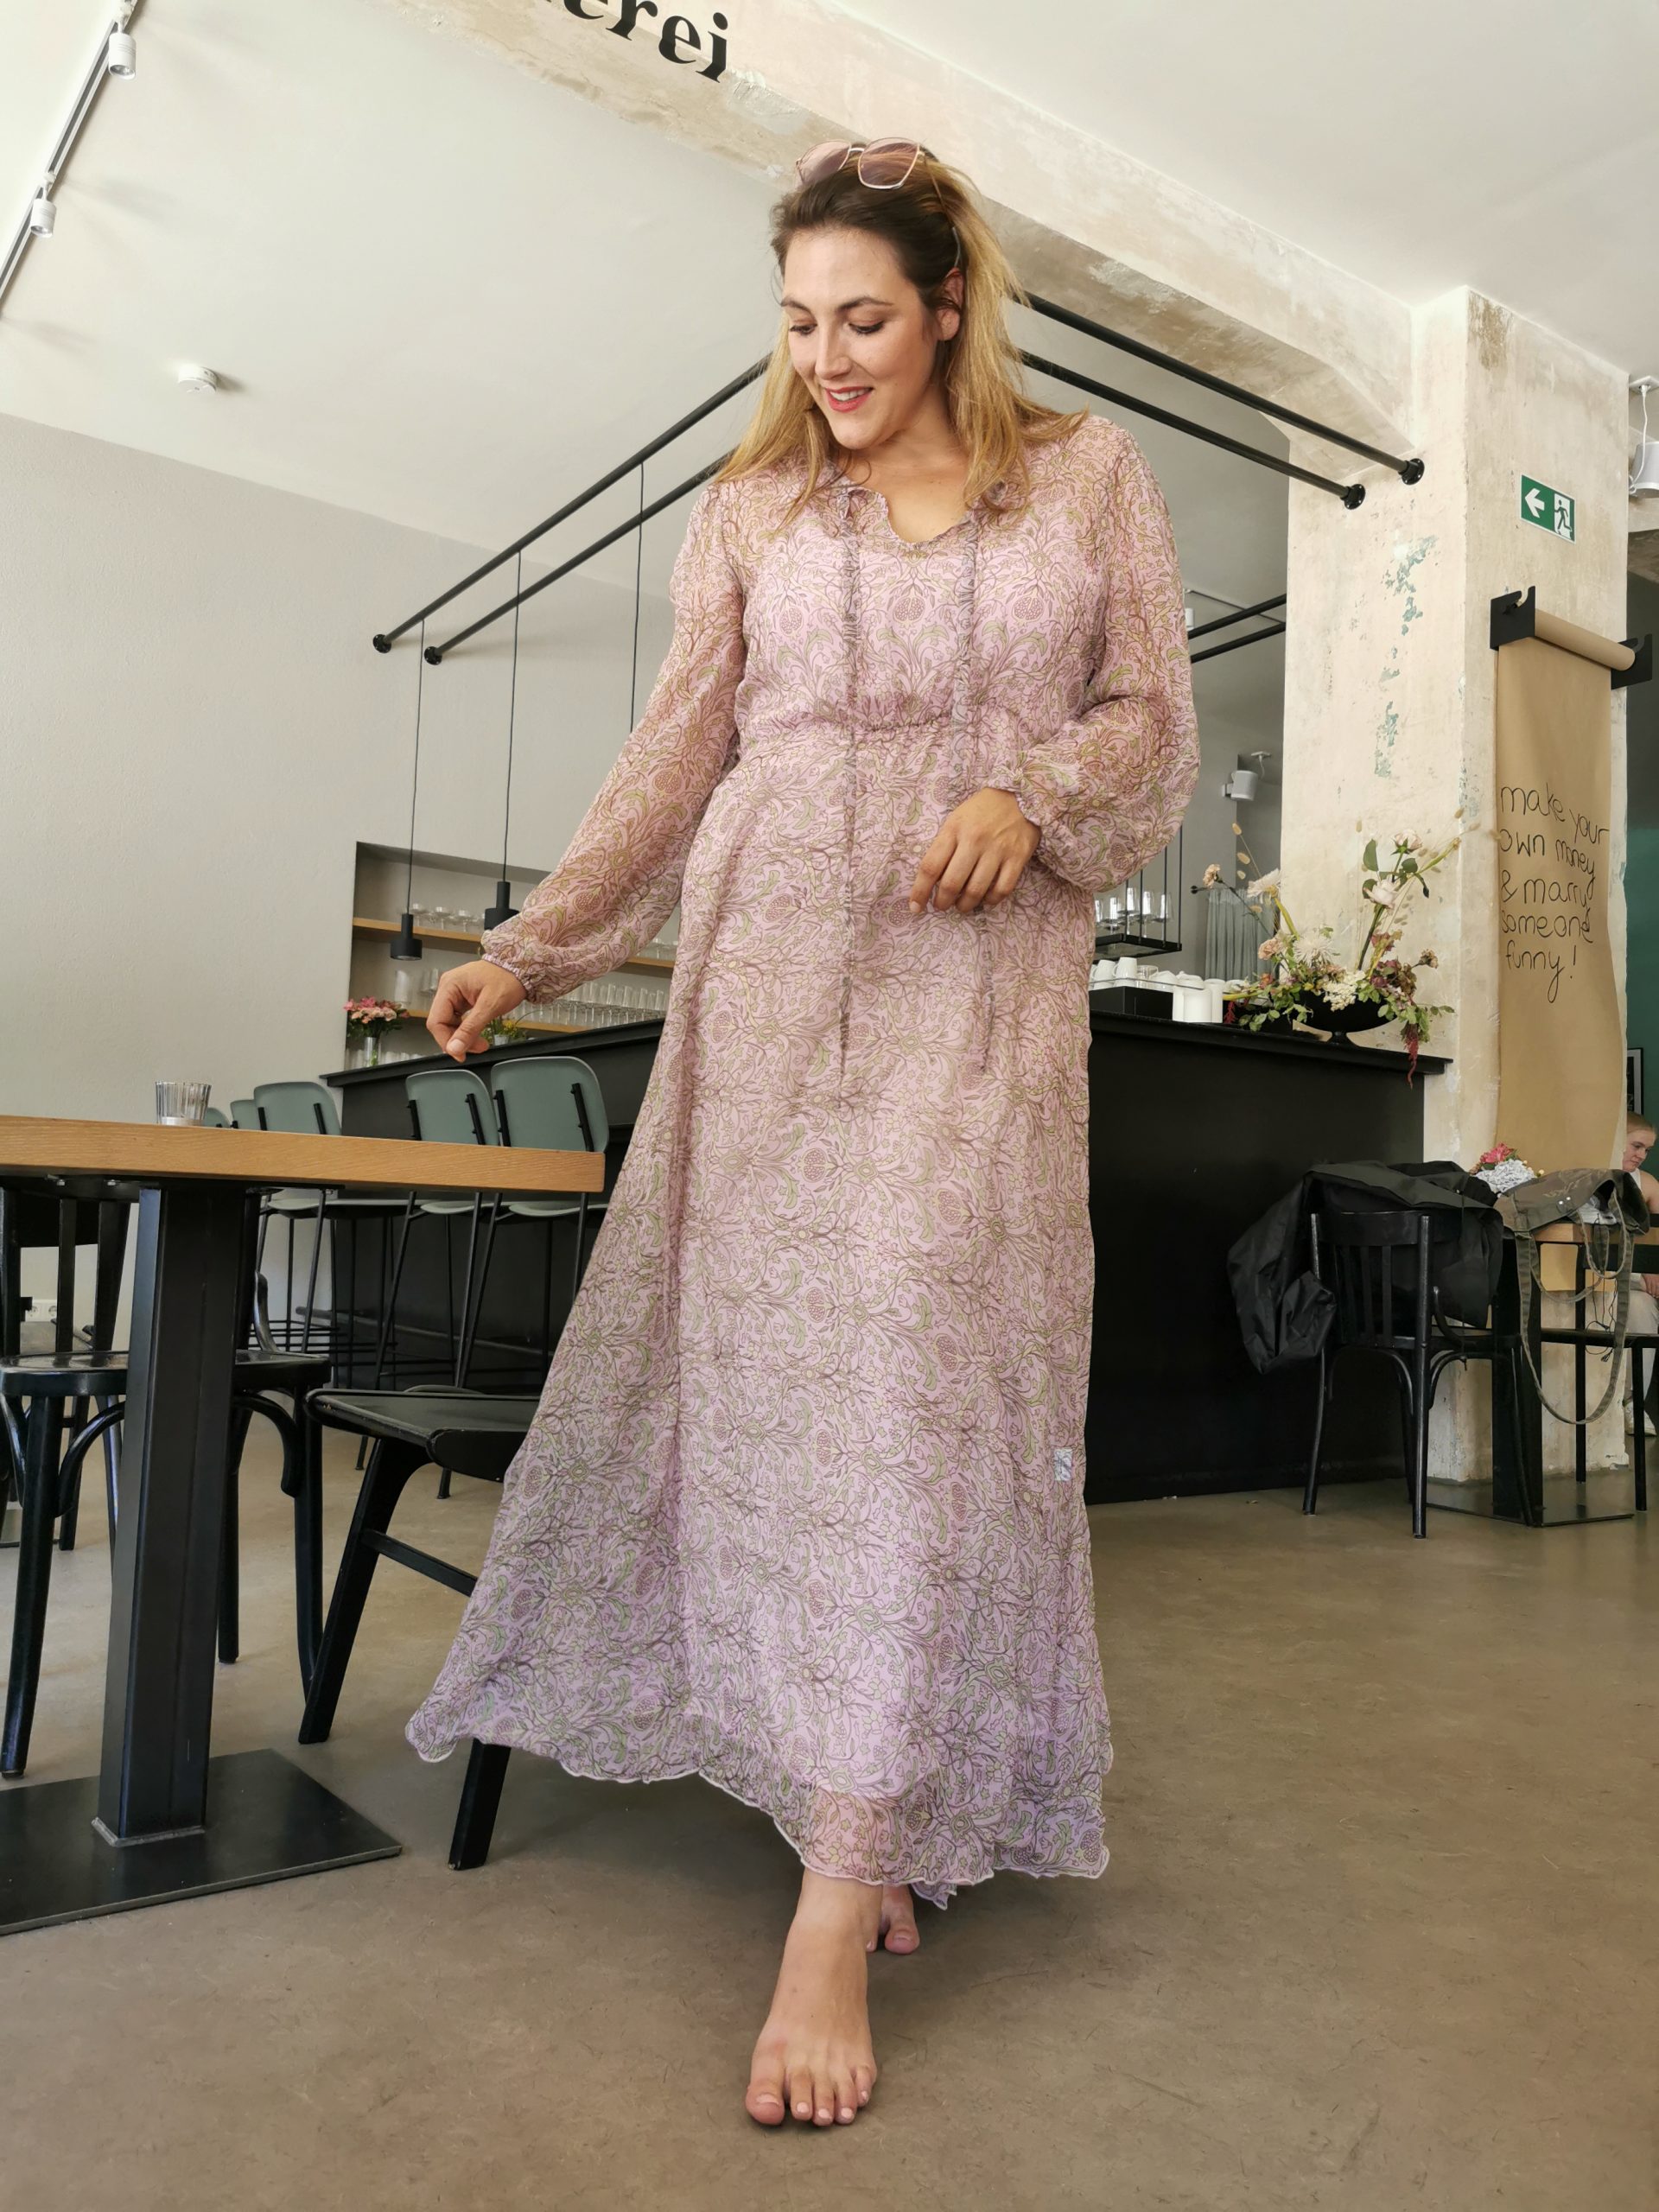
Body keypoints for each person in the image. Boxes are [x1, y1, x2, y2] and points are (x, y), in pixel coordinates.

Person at [407, 137, 1198, 2129]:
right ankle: (865, 1790)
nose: (828, 355)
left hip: (972, 1003)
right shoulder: (755, 503)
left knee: (926, 1389)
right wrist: (539, 942)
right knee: (785, 1411)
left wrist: (1028, 789)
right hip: (762, 992)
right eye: (797, 323)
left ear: (945, 305)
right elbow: (678, 746)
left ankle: (834, 1907)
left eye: (863, 316)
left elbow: (1156, 725)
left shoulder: (1086, 474)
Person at [1621, 1112, 1659, 1429]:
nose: (1641, 1155)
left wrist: (1653, 1267)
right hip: (1608, 1271)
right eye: (1636, 1146)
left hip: (1638, 1277)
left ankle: (1634, 1402)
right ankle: (1629, 1403)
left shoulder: (1648, 1183)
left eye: (1647, 1150)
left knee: (1644, 1304)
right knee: (1640, 1305)